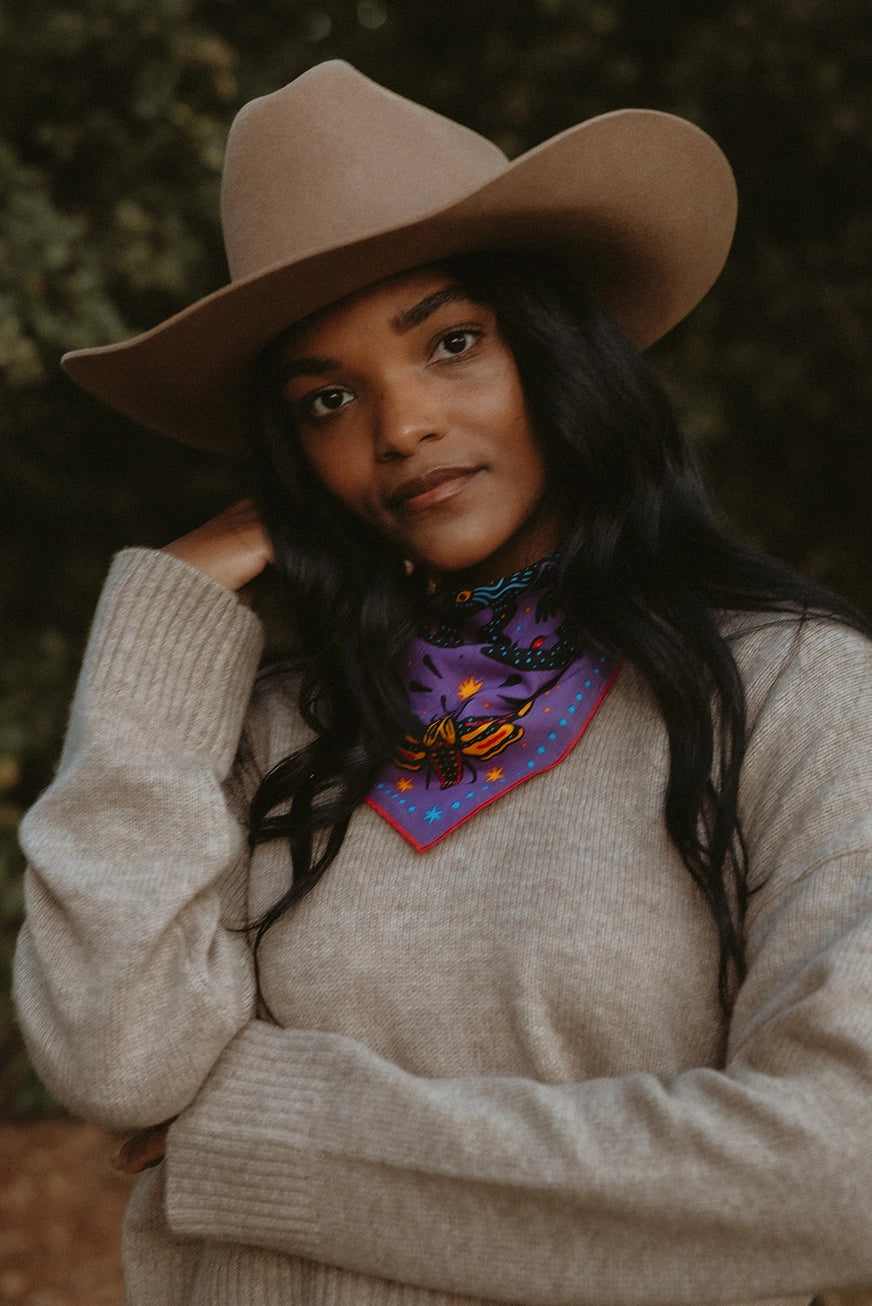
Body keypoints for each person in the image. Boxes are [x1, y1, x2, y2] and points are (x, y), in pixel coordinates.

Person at [13, 59, 872, 1306]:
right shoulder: (264, 738)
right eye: (327, 398)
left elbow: (838, 1175)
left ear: (556, 349)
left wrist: (262, 1136)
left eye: (453, 343)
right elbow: (112, 1063)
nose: (399, 425)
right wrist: (165, 624)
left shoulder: (795, 694)